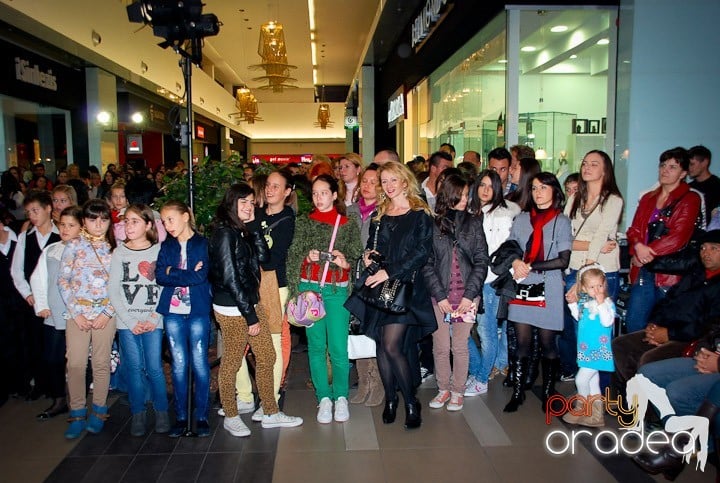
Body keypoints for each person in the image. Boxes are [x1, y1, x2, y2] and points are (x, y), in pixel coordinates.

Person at [209, 183, 303, 437]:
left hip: (251, 302)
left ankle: (270, 412)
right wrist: (249, 314)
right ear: (231, 203)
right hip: (232, 307)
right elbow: (230, 278)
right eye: (243, 202)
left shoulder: (242, 230)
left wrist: (253, 227)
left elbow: (265, 259)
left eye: (251, 202)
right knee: (231, 362)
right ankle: (231, 414)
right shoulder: (224, 234)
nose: (249, 207)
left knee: (267, 356)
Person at [353, 161, 436, 429]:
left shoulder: (420, 213)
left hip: (406, 288)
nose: (388, 186)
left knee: (391, 345)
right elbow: (372, 246)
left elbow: (422, 253)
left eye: (392, 180)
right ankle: (391, 400)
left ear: (404, 181)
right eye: (384, 181)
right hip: (379, 286)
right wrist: (367, 256)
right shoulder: (380, 213)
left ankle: (410, 401)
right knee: (381, 345)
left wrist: (390, 273)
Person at [287, 174, 361, 423]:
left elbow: (356, 257)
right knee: (316, 347)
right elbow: (293, 256)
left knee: (339, 348)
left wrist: (344, 263)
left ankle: (341, 397)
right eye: (315, 193)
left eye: (324, 193)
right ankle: (323, 398)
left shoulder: (347, 224)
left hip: (337, 289)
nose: (319, 198)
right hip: (310, 290)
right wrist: (307, 258)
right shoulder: (304, 222)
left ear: (334, 194)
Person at [612, 229, 720, 394]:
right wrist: (654, 324)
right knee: (620, 345)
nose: (706, 253)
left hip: (690, 339)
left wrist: (669, 334)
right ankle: (631, 399)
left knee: (648, 360)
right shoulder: (695, 273)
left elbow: (707, 326)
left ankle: (650, 411)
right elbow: (669, 300)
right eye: (703, 248)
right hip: (666, 328)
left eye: (714, 248)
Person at [501, 172, 572, 413]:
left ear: (554, 191)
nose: (537, 192)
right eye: (533, 188)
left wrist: (530, 265)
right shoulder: (521, 218)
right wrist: (514, 261)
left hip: (549, 284)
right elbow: (509, 247)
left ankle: (550, 391)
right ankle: (518, 392)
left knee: (547, 343)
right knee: (521, 343)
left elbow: (563, 260)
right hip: (522, 283)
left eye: (543, 187)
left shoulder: (561, 221)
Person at [234, 169, 297, 422]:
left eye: (276, 186)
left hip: (274, 285)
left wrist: (252, 231)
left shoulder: (287, 220)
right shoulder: (255, 213)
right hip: (249, 283)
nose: (270, 190)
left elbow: (272, 260)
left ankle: (270, 399)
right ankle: (245, 397)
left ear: (287, 192)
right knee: (237, 340)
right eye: (268, 185)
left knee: (272, 343)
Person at [422, 173, 489, 411]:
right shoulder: (432, 223)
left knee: (459, 345)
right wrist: (439, 296)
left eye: (466, 194)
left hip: (467, 295)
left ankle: (458, 390)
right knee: (439, 345)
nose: (465, 198)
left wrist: (470, 295)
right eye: (460, 194)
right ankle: (443, 389)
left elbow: (482, 260)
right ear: (448, 195)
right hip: (439, 296)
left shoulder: (473, 222)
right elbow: (427, 263)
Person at [559, 150, 624, 381]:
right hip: (573, 268)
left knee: (597, 334)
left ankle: (598, 395)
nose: (587, 167)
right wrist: (587, 245)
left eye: (594, 164)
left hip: (598, 273)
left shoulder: (613, 200)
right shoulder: (575, 197)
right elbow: (562, 237)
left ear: (605, 170)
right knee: (576, 332)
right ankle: (584, 386)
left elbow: (602, 235)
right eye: (585, 163)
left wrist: (583, 277)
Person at [625, 147, 702, 333]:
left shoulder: (690, 198)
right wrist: (637, 248)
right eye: (663, 165)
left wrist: (645, 252)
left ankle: (656, 362)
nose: (665, 170)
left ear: (683, 173)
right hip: (644, 269)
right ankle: (635, 361)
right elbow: (633, 230)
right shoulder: (648, 198)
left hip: (670, 271)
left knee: (663, 328)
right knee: (634, 324)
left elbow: (677, 237)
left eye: (672, 167)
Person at [108, 204, 169, 437]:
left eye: (135, 221)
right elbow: (114, 291)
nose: (129, 226)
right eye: (126, 221)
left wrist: (155, 316)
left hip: (154, 320)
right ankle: (138, 413)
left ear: (148, 225)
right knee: (133, 368)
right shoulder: (119, 252)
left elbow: (165, 288)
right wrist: (130, 320)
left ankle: (162, 411)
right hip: (127, 322)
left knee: (154, 367)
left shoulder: (158, 252)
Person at [58, 199, 116, 439]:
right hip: (78, 313)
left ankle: (99, 411)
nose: (98, 224)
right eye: (93, 219)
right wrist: (76, 312)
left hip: (105, 313)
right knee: (75, 363)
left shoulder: (116, 248)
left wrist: (107, 312)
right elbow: (63, 280)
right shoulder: (73, 246)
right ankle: (78, 411)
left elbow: (120, 285)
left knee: (101, 363)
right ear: (84, 221)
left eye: (103, 219)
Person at [156, 201, 212, 438]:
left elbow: (201, 276)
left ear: (186, 216)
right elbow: (160, 275)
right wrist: (180, 273)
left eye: (171, 219)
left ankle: (201, 415)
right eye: (164, 220)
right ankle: (181, 415)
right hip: (173, 312)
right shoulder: (166, 246)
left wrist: (173, 272)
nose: (167, 225)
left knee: (199, 363)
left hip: (198, 310)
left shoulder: (202, 244)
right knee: (178, 365)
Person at [465, 170, 519, 396]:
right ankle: (479, 371)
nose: (486, 190)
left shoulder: (503, 214)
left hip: (490, 281)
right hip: (468, 281)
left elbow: (502, 251)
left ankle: (481, 377)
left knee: (486, 333)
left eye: (491, 186)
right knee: (459, 332)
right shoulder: (469, 212)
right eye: (482, 185)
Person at [29, 206, 83, 421]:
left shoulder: (86, 251)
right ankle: (59, 399)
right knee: (52, 358)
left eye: (71, 225)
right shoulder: (51, 250)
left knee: (78, 361)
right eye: (62, 225)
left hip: (77, 314)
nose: (65, 229)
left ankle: (80, 402)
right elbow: (38, 278)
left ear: (81, 227)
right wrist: (41, 304)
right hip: (54, 313)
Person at [10, 190, 61, 401]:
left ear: (48, 209)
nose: (32, 216)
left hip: (57, 300)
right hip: (32, 302)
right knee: (34, 343)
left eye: (36, 210)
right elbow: (17, 270)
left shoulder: (60, 234)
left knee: (54, 347)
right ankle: (39, 384)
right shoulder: (25, 237)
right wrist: (28, 294)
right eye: (29, 212)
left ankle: (55, 387)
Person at [346, 164, 384, 407]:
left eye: (373, 182)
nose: (367, 186)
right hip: (351, 277)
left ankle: (377, 382)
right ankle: (363, 381)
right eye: (365, 181)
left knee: (374, 331)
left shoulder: (384, 213)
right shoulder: (349, 211)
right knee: (355, 331)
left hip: (374, 278)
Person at [562, 264, 616, 427]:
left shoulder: (606, 304)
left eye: (600, 285)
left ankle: (582, 408)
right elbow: (578, 318)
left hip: (598, 351)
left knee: (581, 379)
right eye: (592, 287)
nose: (597, 290)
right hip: (586, 349)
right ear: (584, 288)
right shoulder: (585, 302)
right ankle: (596, 414)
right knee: (593, 382)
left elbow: (608, 322)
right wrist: (572, 304)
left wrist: (601, 303)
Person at [688, 145, 719, 226]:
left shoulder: (717, 186)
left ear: (705, 162)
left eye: (692, 164)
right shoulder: (688, 188)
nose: (689, 168)